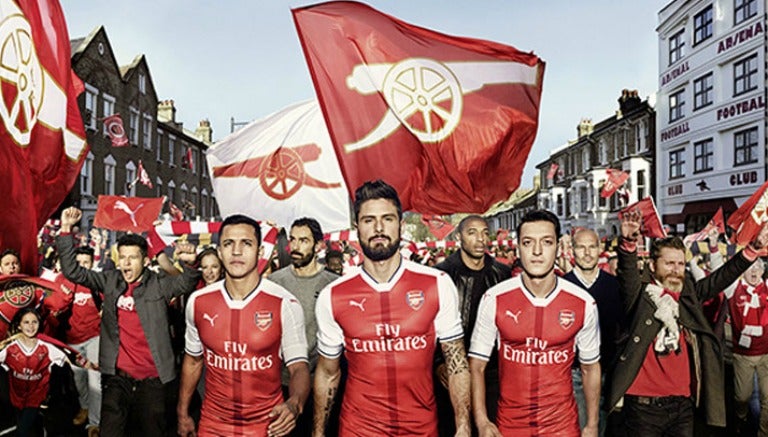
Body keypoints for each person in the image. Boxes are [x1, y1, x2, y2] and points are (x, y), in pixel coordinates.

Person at [313, 180, 471, 436]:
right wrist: (318, 433)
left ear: (401, 225)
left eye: (387, 219)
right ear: (357, 228)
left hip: (421, 429)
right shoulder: (334, 296)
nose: (378, 228)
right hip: (358, 429)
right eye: (369, 220)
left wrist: (463, 426)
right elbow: (328, 372)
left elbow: (457, 363)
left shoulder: (437, 284)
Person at [608, 208, 768, 436]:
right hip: (643, 407)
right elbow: (628, 276)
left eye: (681, 264)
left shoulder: (688, 295)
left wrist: (753, 249)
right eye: (669, 263)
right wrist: (628, 244)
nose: (676, 270)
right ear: (652, 265)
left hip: (683, 405)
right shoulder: (640, 294)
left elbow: (721, 277)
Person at [56, 206, 201, 437]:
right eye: (122, 257)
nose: (126, 263)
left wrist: (192, 265)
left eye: (132, 258)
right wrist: (65, 229)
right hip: (117, 377)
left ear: (145, 261)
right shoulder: (110, 280)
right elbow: (73, 272)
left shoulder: (159, 284)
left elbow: (185, 283)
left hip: (153, 380)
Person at [469, 210, 601, 436]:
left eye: (546, 242)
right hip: (509, 427)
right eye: (528, 242)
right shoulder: (494, 298)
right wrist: (481, 421)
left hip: (562, 428)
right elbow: (476, 366)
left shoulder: (583, 303)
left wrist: (592, 424)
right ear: (518, 248)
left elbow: (590, 368)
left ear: (558, 247)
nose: (537, 251)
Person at [177, 214, 310, 436]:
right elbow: (193, 361)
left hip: (267, 425)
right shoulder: (198, 302)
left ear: (260, 251)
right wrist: (182, 413)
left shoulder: (285, 303)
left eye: (246, 243)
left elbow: (299, 367)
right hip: (213, 424)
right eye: (229, 243)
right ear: (219, 251)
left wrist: (294, 403)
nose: (236, 251)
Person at [434, 215, 510, 435]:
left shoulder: (502, 274)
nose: (480, 239)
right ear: (459, 237)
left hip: (491, 371)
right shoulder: (442, 275)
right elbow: (430, 324)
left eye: (485, 233)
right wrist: (438, 363)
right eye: (472, 233)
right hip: (452, 369)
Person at [269, 217, 339, 435]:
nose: (296, 246)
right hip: (281, 383)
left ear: (318, 246)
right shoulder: (274, 283)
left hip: (321, 383)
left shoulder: (333, 285)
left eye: (304, 240)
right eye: (293, 240)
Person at [563, 227, 623, 435]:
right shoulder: (562, 286)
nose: (587, 253)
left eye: (592, 247)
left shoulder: (614, 286)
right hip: (575, 373)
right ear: (572, 250)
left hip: (608, 372)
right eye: (581, 247)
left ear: (600, 249)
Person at [43, 246, 102, 435]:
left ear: (92, 264)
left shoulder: (96, 280)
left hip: (95, 336)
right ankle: (85, 407)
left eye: (86, 262)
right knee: (79, 378)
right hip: (71, 339)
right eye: (79, 263)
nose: (82, 266)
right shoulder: (62, 280)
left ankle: (94, 422)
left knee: (95, 380)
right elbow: (52, 304)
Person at [0, 308, 67, 437]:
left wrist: (90, 365)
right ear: (19, 326)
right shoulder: (10, 348)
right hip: (16, 396)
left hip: (37, 395)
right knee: (24, 422)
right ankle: (40, 425)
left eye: (34, 322)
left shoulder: (46, 347)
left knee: (22, 432)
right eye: (26, 322)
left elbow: (69, 357)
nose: (31, 326)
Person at [722, 259, 768, 435]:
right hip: (743, 355)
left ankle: (763, 432)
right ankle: (740, 418)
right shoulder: (735, 288)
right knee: (742, 397)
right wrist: (714, 248)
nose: (754, 271)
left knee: (767, 399)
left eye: (758, 268)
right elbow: (722, 274)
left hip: (766, 354)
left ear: (763, 271)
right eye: (750, 268)